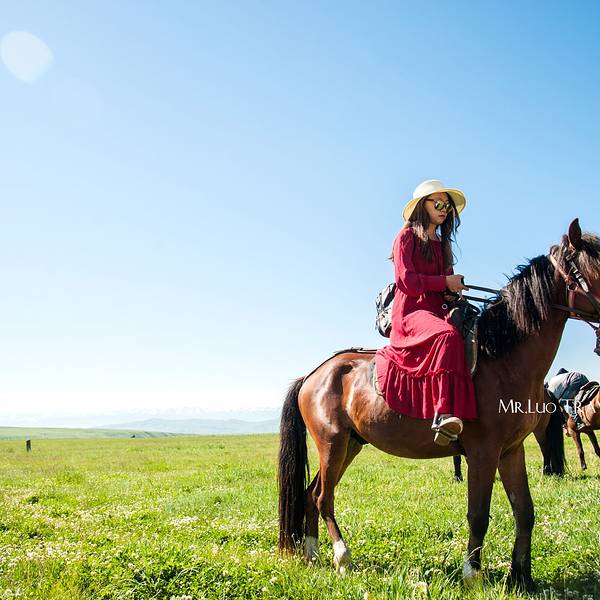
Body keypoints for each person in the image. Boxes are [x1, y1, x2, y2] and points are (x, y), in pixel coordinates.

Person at [374, 179, 478, 445]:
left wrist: (453, 289)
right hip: (411, 313)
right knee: (447, 336)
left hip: (437, 311)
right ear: (423, 206)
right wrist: (444, 282)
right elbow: (406, 281)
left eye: (447, 206)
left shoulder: (443, 245)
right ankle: (443, 414)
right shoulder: (405, 237)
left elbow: (445, 285)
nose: (444, 210)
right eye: (439, 204)